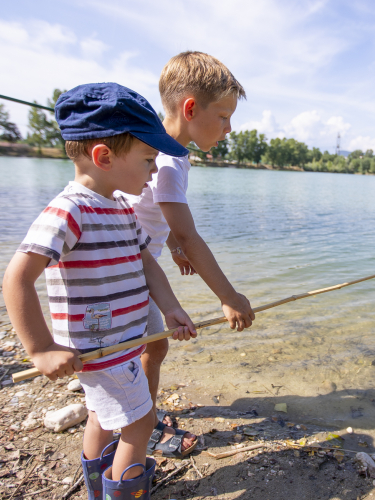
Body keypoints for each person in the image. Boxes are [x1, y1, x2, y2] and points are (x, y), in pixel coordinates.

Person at [2, 83, 197, 500]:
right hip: (98, 348)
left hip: (120, 343)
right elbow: (16, 278)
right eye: (147, 160)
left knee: (102, 418)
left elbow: (146, 263)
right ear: (104, 157)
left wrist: (171, 308)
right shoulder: (69, 209)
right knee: (141, 423)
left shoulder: (121, 209)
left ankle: (99, 488)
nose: (152, 172)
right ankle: (123, 492)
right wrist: (40, 348)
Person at [127, 51, 255, 448]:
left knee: (151, 345)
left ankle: (137, 413)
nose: (229, 128)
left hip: (134, 260)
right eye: (223, 116)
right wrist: (229, 297)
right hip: (129, 268)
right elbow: (189, 234)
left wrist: (170, 245)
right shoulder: (169, 160)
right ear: (190, 108)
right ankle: (139, 426)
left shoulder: (158, 152)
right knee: (149, 346)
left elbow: (147, 212)